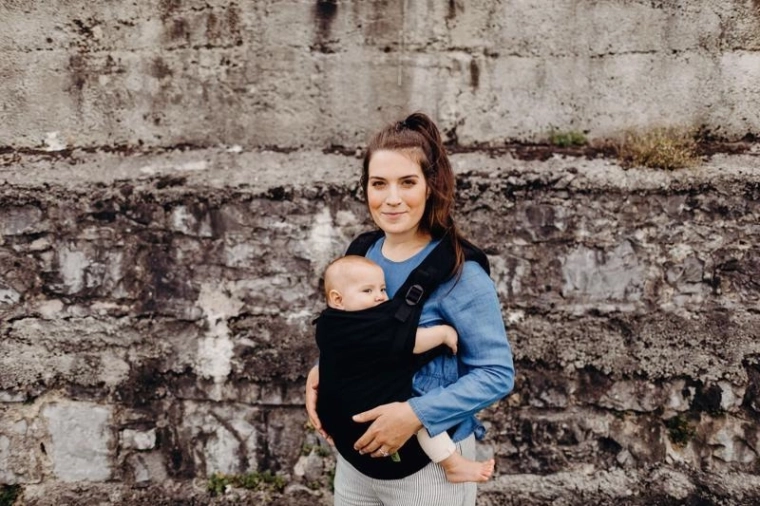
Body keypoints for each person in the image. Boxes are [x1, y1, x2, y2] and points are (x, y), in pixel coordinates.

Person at [305, 111, 514, 506]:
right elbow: (353, 332)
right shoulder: (361, 255)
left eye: (407, 182)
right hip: (355, 461)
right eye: (378, 183)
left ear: (431, 187)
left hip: (429, 468)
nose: (392, 198)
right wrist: (323, 370)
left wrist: (414, 414)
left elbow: (496, 374)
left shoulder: (461, 273)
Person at [318, 254, 495, 483]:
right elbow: (406, 342)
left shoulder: (329, 322)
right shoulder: (366, 324)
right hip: (371, 421)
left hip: (344, 427)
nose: (380, 296)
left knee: (412, 414)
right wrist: (442, 333)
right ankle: (453, 465)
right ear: (337, 299)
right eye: (367, 291)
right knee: (419, 418)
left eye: (382, 289)